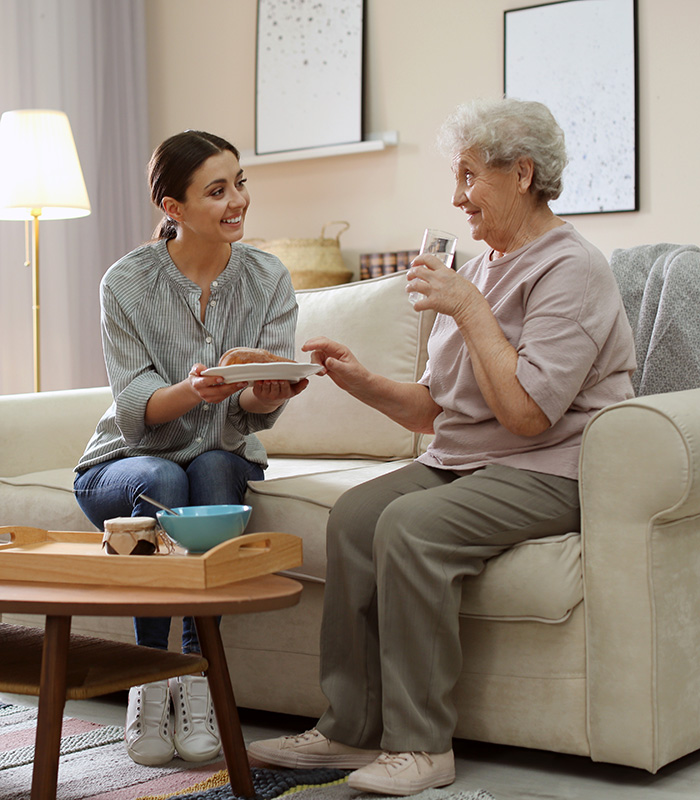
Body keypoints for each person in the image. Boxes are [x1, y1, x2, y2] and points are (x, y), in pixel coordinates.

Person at [249, 97, 637, 795]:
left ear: (522, 174)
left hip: (549, 468)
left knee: (411, 526)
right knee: (357, 515)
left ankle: (422, 747)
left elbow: (526, 416)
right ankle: (347, 730)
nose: (456, 197)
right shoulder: (482, 267)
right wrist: (360, 380)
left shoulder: (573, 269)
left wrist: (466, 308)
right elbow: (436, 408)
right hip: (462, 462)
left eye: (468, 177)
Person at [74, 130, 307, 767]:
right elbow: (136, 411)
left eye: (240, 183)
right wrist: (195, 390)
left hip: (219, 452)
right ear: (172, 207)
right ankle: (151, 680)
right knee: (167, 479)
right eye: (217, 190)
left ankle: (196, 679)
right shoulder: (127, 282)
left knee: (210, 467)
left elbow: (256, 412)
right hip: (122, 464)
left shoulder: (267, 278)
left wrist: (264, 392)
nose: (238, 201)